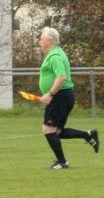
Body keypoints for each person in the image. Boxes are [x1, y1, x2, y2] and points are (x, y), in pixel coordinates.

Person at [38, 27, 99, 169]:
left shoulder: (55, 56)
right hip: (63, 96)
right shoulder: (56, 53)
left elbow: (61, 77)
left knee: (48, 130)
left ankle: (62, 162)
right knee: (56, 132)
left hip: (60, 96)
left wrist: (50, 94)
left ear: (50, 40)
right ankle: (88, 135)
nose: (40, 41)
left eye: (42, 38)